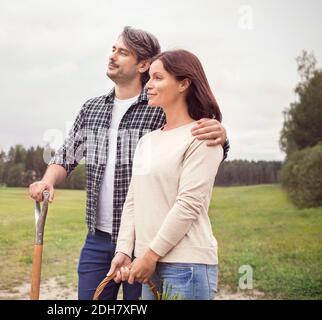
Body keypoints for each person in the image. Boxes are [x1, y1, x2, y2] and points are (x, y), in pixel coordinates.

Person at [28, 27, 229, 300]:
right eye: (113, 49)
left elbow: (195, 135)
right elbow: (67, 154)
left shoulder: (160, 104)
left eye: (123, 52)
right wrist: (47, 180)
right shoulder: (92, 108)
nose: (112, 56)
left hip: (147, 242)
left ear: (143, 64)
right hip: (99, 239)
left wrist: (222, 135)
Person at [111, 49, 223, 300]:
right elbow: (133, 200)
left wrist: (150, 255)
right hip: (149, 266)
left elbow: (188, 205)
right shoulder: (147, 141)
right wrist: (124, 251)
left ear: (184, 83)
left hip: (187, 267)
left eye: (158, 78)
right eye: (148, 78)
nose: (148, 85)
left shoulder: (203, 136)